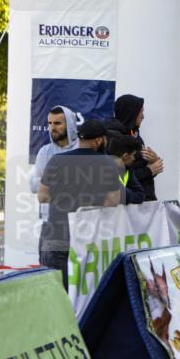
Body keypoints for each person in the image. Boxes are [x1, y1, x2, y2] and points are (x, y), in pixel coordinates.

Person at [37, 120, 121, 288]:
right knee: (85, 293)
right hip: (89, 238)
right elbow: (112, 201)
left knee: (56, 293)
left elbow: (42, 196)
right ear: (98, 140)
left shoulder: (56, 160)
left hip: (56, 236)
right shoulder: (108, 163)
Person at [30, 106, 82, 222]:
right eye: (50, 123)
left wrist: (50, 181)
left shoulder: (82, 148)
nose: (52, 128)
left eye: (57, 123)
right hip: (51, 218)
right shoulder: (44, 151)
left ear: (70, 124)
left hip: (78, 217)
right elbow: (34, 185)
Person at [112, 94, 162, 201]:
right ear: (131, 114)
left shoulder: (135, 134)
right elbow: (117, 176)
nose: (143, 117)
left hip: (144, 201)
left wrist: (153, 162)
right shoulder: (116, 140)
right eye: (141, 113)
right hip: (130, 204)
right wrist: (149, 171)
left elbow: (141, 169)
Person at [105, 130, 146, 204]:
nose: (134, 159)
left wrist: (125, 195)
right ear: (125, 156)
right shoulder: (103, 168)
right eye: (133, 155)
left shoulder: (128, 168)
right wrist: (127, 195)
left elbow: (140, 195)